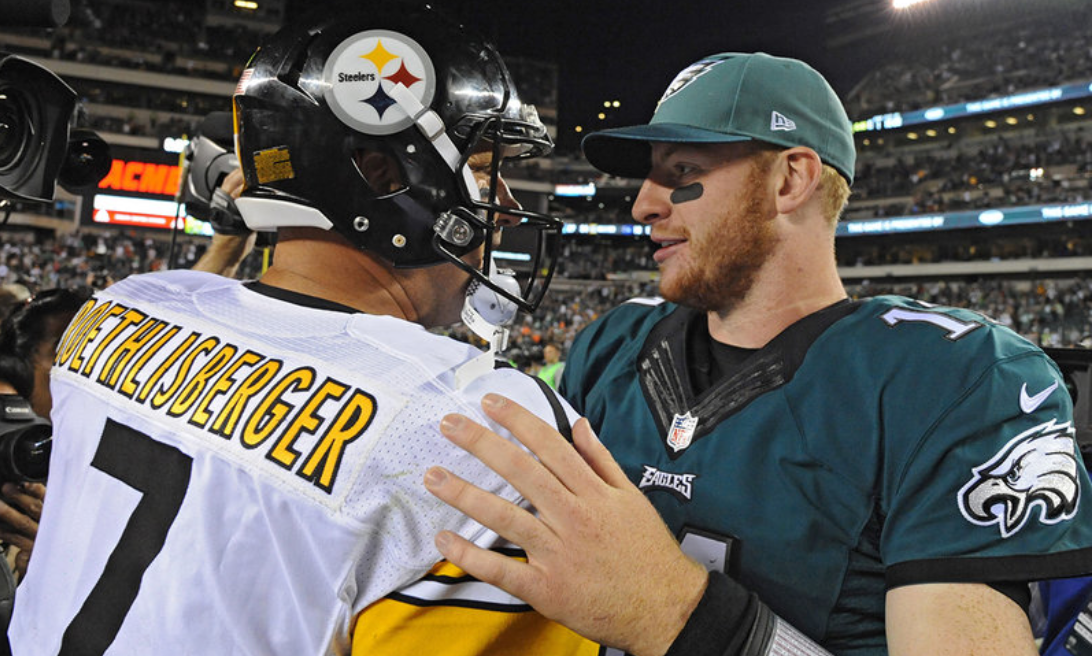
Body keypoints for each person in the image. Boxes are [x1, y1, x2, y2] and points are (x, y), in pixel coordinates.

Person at [423, 52, 1092, 656]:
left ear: (789, 179)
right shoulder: (613, 344)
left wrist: (681, 615)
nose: (643, 205)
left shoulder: (958, 377)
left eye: (681, 174)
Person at [8, 6, 594, 655]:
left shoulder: (121, 307)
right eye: (486, 173)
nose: (508, 207)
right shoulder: (480, 423)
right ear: (383, 176)